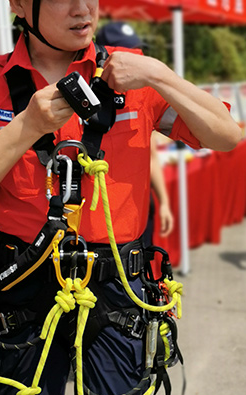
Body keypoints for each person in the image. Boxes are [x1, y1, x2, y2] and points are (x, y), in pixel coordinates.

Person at [0, 0, 240, 395]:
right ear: (21, 5)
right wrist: (27, 125)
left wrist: (158, 74)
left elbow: (226, 134)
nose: (83, 9)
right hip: (25, 283)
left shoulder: (129, 74)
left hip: (116, 285)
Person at [95, 21, 174, 247]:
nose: (136, 58)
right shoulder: (81, 98)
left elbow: (149, 154)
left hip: (137, 211)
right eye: (126, 52)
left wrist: (164, 202)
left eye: (138, 51)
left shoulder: (141, 94)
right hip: (99, 219)